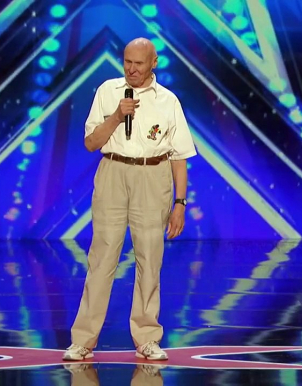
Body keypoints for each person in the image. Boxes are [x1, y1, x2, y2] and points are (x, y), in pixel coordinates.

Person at [63, 37, 197, 361]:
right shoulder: (107, 91)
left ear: (154, 64)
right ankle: (83, 340)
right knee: (102, 257)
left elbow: (179, 156)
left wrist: (180, 204)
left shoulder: (168, 101)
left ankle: (147, 337)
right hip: (113, 173)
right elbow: (91, 142)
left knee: (150, 259)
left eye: (139, 63)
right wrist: (115, 116)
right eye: (127, 62)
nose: (132, 69)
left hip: (153, 176)